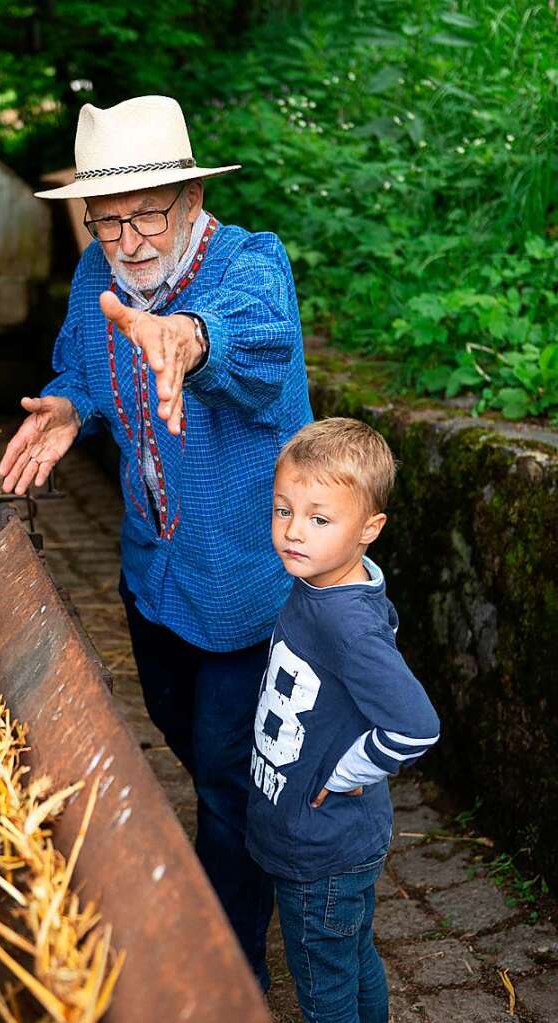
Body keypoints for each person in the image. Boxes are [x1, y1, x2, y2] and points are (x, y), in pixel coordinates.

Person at [0, 94, 313, 987]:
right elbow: (84, 364)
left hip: (247, 586)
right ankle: (243, 832)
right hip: (155, 579)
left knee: (225, 782)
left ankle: (230, 972)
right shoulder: (96, 277)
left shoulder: (251, 263)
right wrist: (68, 403)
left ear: (188, 198)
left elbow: (254, 346)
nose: (129, 240)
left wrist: (185, 339)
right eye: (109, 219)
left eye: (148, 216)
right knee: (182, 731)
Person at [246, 417, 440, 1022]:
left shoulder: (346, 622)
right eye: (283, 510)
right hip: (314, 835)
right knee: (353, 956)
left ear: (369, 530)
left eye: (318, 518)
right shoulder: (323, 583)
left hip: (322, 848)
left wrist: (349, 772)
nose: (293, 532)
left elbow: (415, 726)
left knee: (325, 985)